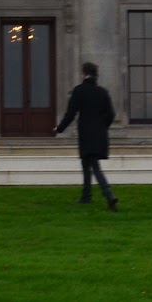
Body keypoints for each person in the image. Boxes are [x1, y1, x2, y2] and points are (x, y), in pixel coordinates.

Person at [54, 61, 118, 210]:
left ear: (84, 73)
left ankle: (109, 195)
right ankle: (86, 196)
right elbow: (111, 114)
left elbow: (70, 114)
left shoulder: (79, 91)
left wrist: (59, 129)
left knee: (94, 166)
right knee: (87, 163)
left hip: (86, 133)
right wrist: (103, 127)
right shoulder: (103, 92)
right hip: (100, 133)